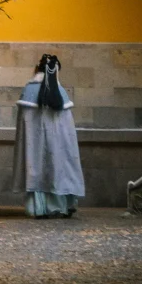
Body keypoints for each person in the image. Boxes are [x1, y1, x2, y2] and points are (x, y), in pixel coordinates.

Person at [12, 52, 85, 218]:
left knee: (35, 167)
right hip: (57, 149)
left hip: (34, 149)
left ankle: (37, 207)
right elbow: (67, 133)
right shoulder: (59, 93)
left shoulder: (28, 91)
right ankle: (59, 206)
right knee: (58, 167)